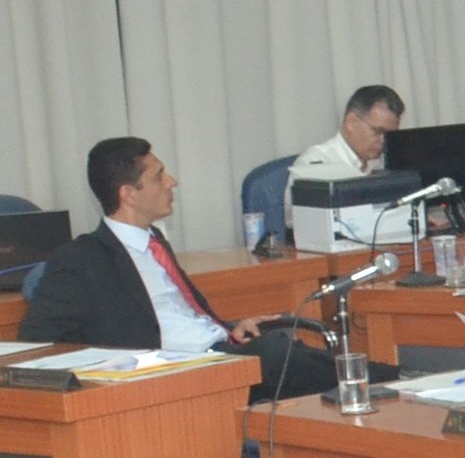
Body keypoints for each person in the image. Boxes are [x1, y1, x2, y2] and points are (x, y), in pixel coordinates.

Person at [18, 138, 338, 403]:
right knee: (286, 358)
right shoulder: (81, 259)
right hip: (178, 373)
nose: (172, 182)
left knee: (292, 353)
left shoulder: (154, 241)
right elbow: (37, 341)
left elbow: (178, 316)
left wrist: (230, 328)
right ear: (128, 194)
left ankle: (365, 379)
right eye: (159, 177)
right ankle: (366, 378)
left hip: (220, 351)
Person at [289, 85, 404, 182]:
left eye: (389, 135)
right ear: (351, 122)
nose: (384, 141)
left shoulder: (386, 162)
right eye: (378, 131)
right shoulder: (314, 164)